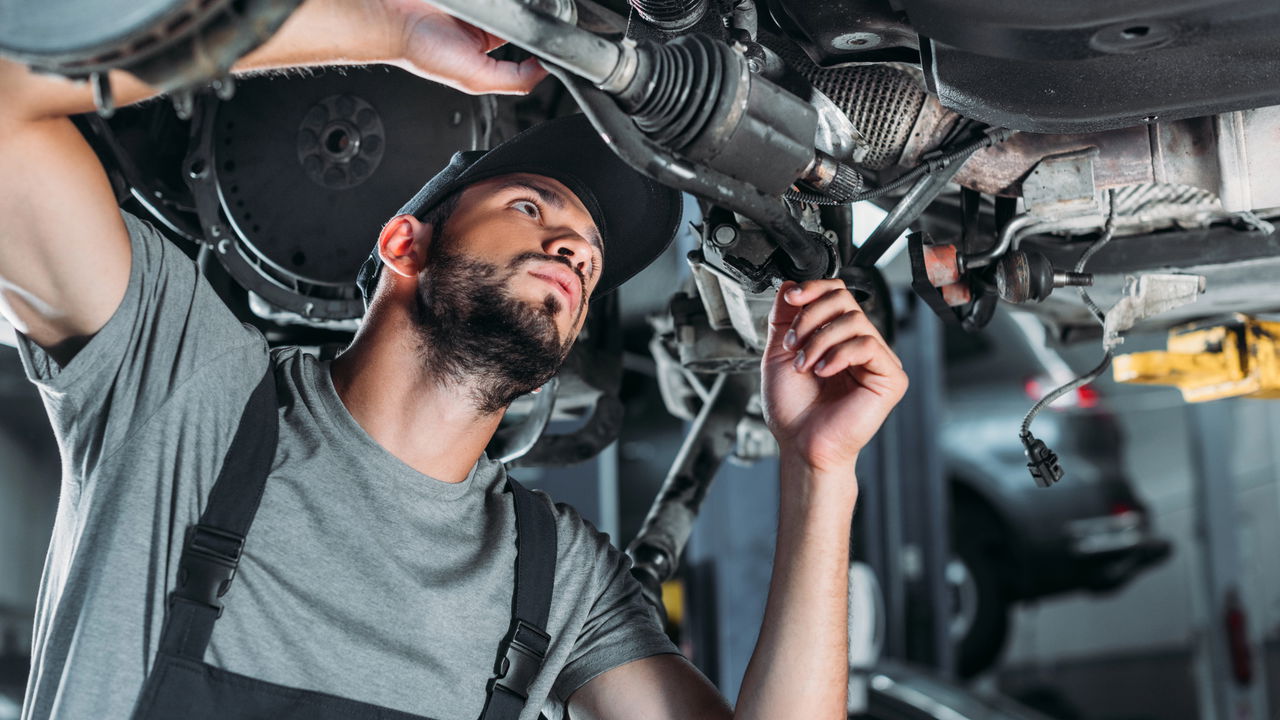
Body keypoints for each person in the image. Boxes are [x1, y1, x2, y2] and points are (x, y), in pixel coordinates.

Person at [0, 0, 908, 718]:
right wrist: (387, 25)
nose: (575, 250)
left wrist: (819, 474)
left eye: (591, 261)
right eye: (532, 207)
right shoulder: (182, 388)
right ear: (405, 242)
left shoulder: (551, 580)